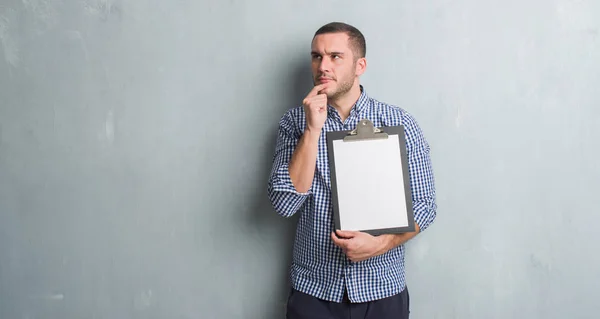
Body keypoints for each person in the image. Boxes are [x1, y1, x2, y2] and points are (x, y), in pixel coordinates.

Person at [267, 21, 437, 319]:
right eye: (317, 56)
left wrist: (380, 244)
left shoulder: (400, 123)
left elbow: (425, 205)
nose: (323, 66)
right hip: (314, 291)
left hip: (382, 288)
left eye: (335, 56)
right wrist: (312, 129)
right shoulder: (294, 123)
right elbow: (284, 204)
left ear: (360, 65)